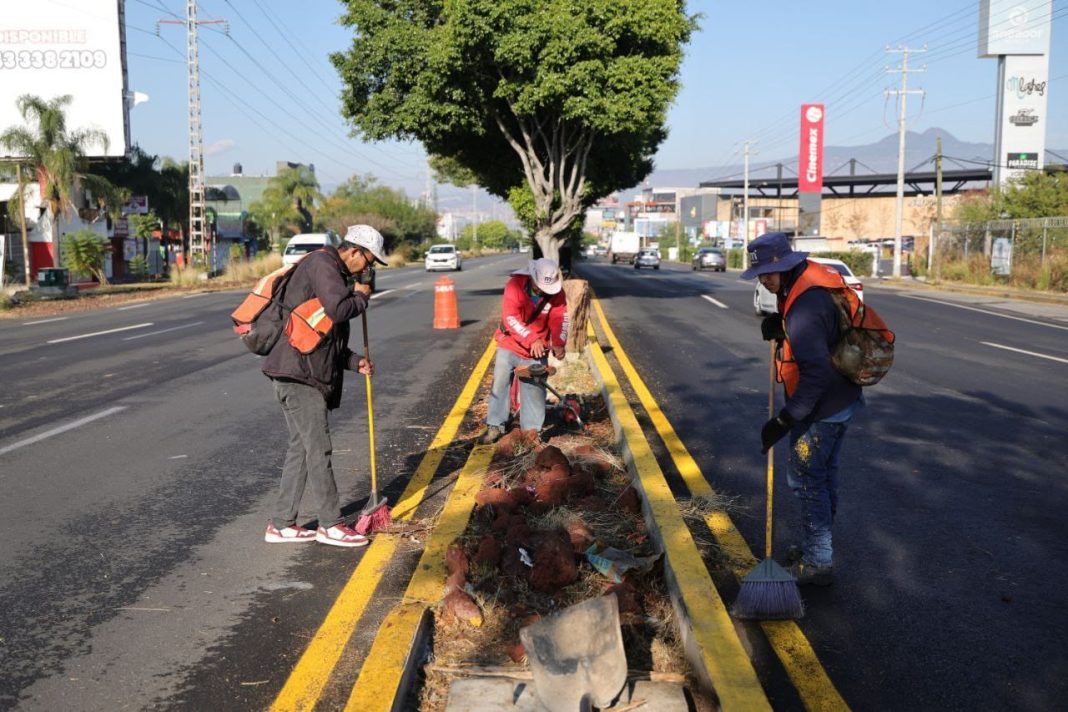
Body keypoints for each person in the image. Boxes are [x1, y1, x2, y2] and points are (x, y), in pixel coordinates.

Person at [741, 232, 863, 586]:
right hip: (843, 397)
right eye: (759, 275)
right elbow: (823, 338)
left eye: (767, 273)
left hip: (824, 408)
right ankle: (817, 547)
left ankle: (817, 561)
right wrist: (780, 327)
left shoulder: (805, 307)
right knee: (824, 477)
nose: (764, 281)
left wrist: (785, 419)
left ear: (784, 266)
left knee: (807, 480)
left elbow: (815, 374)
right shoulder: (808, 285)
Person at [261, 224, 388, 547]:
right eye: (369, 261)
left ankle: (281, 524)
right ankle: (331, 524)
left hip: (296, 370)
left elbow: (322, 337)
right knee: (318, 448)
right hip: (299, 376)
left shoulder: (329, 269)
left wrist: (354, 361)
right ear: (355, 251)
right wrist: (361, 298)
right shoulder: (323, 264)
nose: (368, 269)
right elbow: (339, 310)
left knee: (302, 447)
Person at [479, 258, 568, 444]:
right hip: (509, 343)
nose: (542, 290)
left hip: (537, 352)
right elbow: (510, 318)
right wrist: (532, 339)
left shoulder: (557, 294)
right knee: (500, 384)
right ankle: (495, 426)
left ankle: (531, 433)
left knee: (534, 390)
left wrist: (559, 343)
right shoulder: (515, 286)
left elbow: (560, 318)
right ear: (532, 276)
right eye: (540, 286)